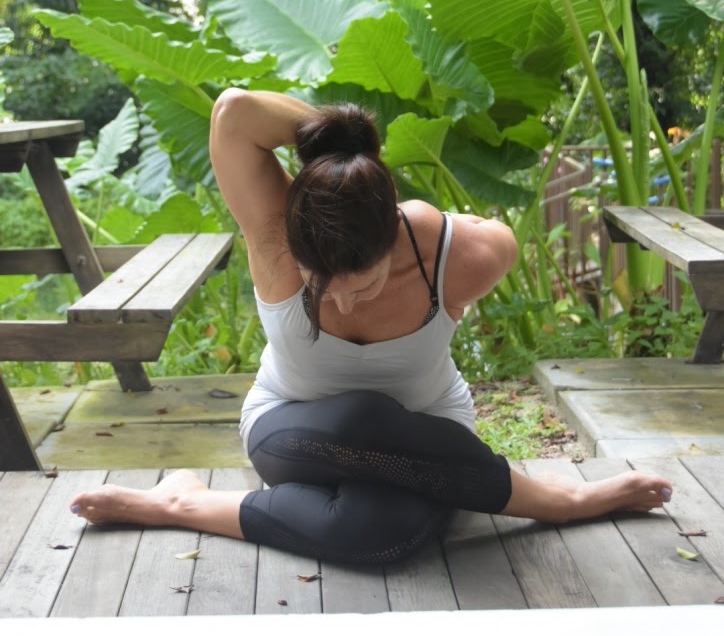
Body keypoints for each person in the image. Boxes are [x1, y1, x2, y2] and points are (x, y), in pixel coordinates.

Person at [70, 91, 673, 564]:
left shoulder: (468, 255)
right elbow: (236, 112)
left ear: (392, 236)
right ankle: (559, 501)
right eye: (319, 281)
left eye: (363, 282)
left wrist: (364, 178)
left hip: (429, 440)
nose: (345, 304)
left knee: (384, 538)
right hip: (294, 435)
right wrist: (343, 157)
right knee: (362, 416)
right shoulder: (272, 229)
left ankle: (186, 504)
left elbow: (482, 234)